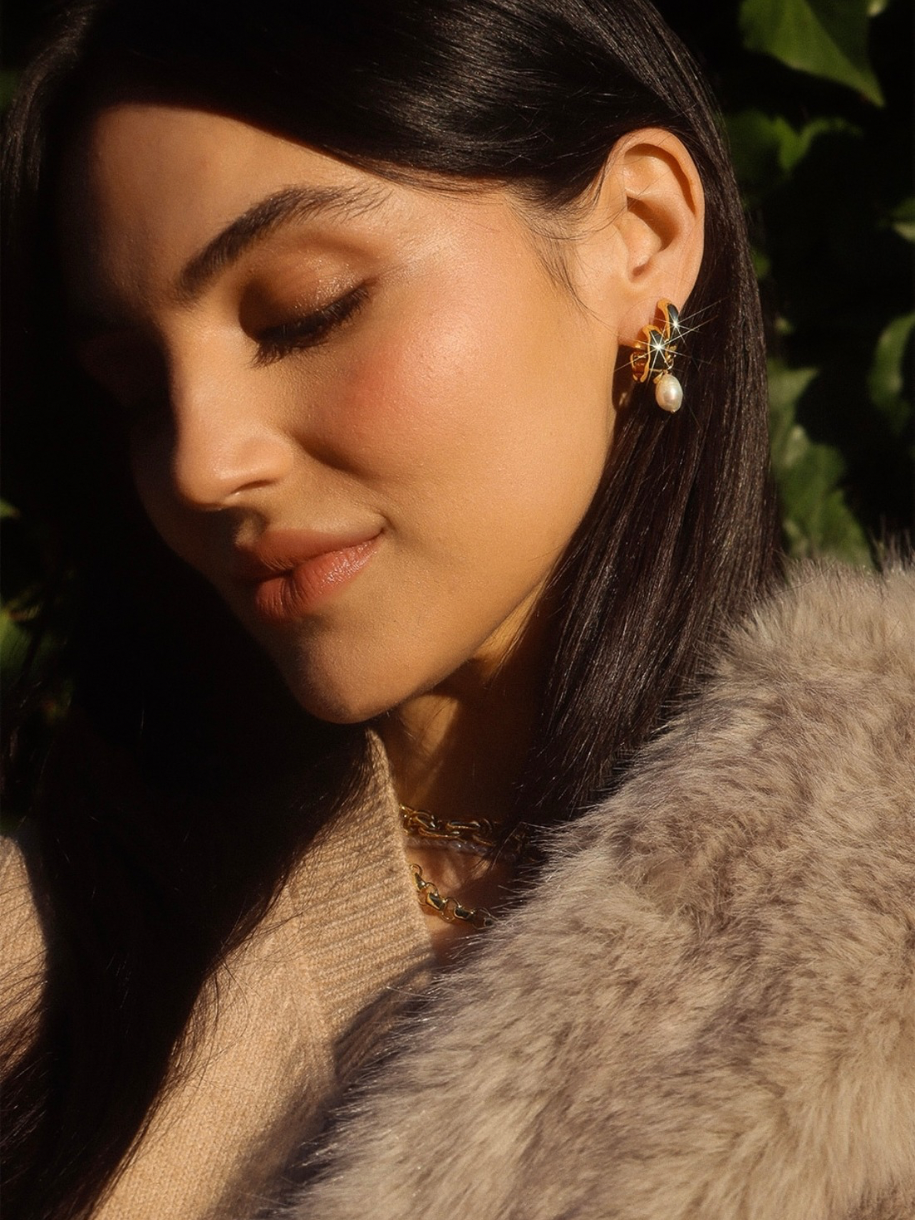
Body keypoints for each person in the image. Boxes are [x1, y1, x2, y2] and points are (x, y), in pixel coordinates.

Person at [1, 2, 912, 1218]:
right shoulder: (47, 958)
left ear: (638, 237)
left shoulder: (875, 903)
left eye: (305, 310)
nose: (200, 464)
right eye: (137, 393)